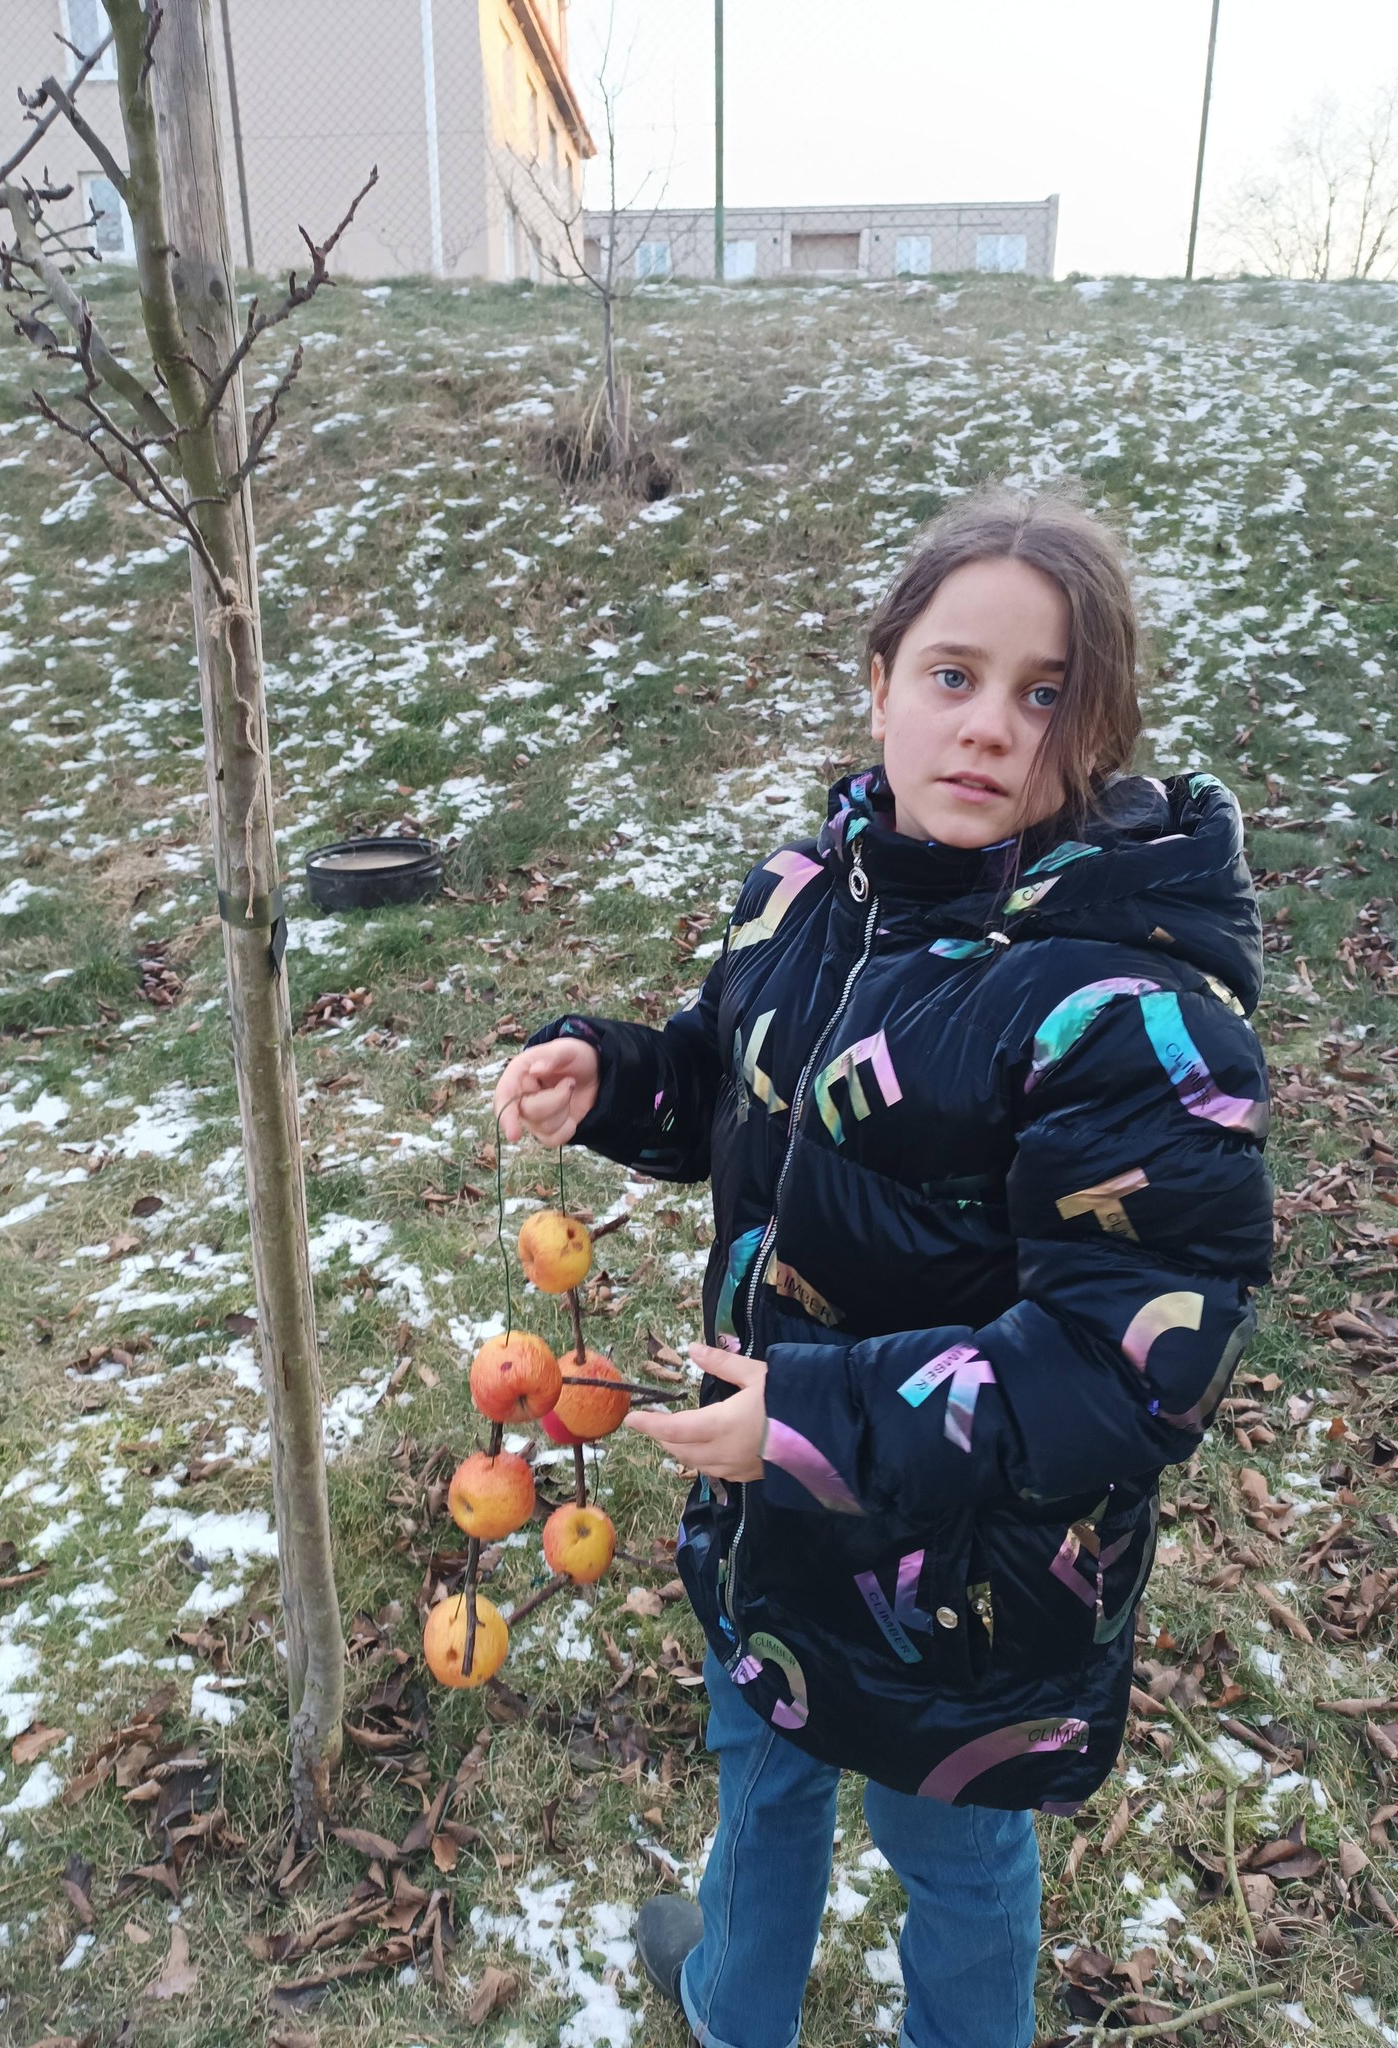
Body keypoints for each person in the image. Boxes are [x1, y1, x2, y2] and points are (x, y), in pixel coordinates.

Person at [492, 489, 1273, 2048]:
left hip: (972, 1593)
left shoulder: (1125, 1010)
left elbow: (1129, 1361)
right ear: (881, 682)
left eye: (1044, 695)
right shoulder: (810, 896)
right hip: (772, 1523)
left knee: (959, 1866)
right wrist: (620, 1078)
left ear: (1097, 729)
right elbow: (735, 1083)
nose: (988, 725)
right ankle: (734, 2003)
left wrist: (813, 1421)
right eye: (953, 674)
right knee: (762, 1784)